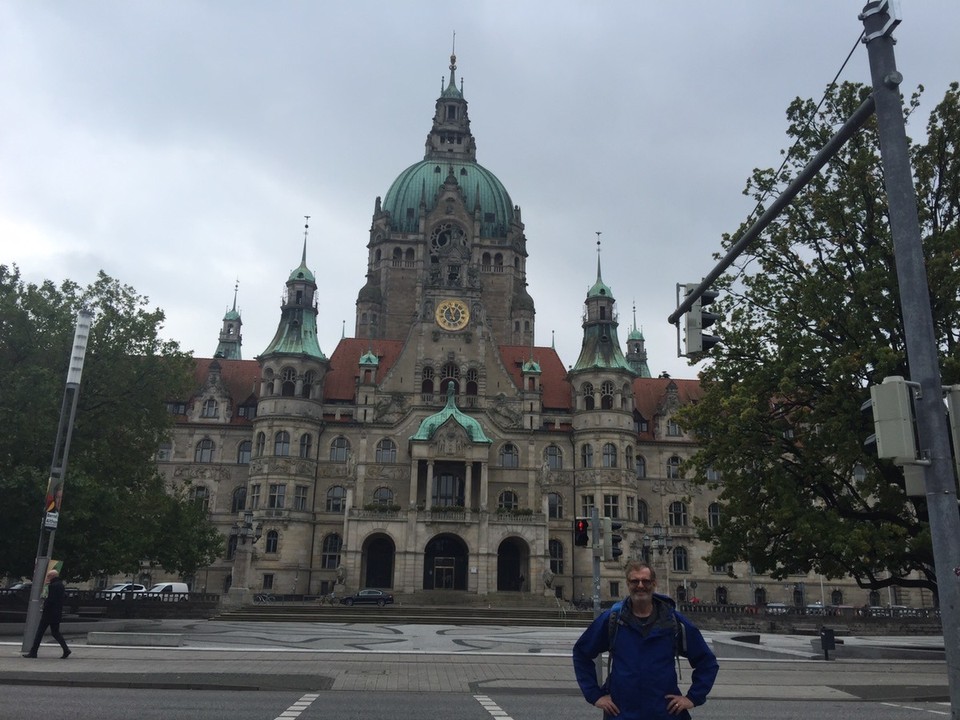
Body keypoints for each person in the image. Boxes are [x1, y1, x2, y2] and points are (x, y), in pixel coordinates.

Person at [573, 561, 718, 719]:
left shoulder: (672, 621)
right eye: (635, 581)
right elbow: (581, 653)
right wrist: (595, 695)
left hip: (664, 713)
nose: (640, 585)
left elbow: (707, 661)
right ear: (628, 584)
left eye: (645, 581)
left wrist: (692, 698)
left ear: (654, 583)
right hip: (623, 713)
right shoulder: (613, 619)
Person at [23, 569, 71, 659]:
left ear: (52, 576)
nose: (47, 578)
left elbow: (50, 600)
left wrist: (44, 606)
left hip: (49, 614)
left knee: (40, 633)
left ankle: (33, 652)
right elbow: (64, 596)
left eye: (48, 576)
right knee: (56, 633)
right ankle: (66, 649)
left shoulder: (52, 586)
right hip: (57, 613)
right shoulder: (61, 585)